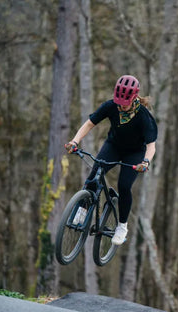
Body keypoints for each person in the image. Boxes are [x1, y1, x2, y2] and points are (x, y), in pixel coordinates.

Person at [65, 75, 157, 245]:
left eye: (125, 102)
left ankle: (122, 226)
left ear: (134, 97)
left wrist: (145, 162)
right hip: (113, 147)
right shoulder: (111, 106)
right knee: (95, 174)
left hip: (135, 153)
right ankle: (83, 209)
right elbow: (89, 124)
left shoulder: (144, 116)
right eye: (119, 101)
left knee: (124, 185)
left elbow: (151, 146)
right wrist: (74, 141)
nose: (121, 106)